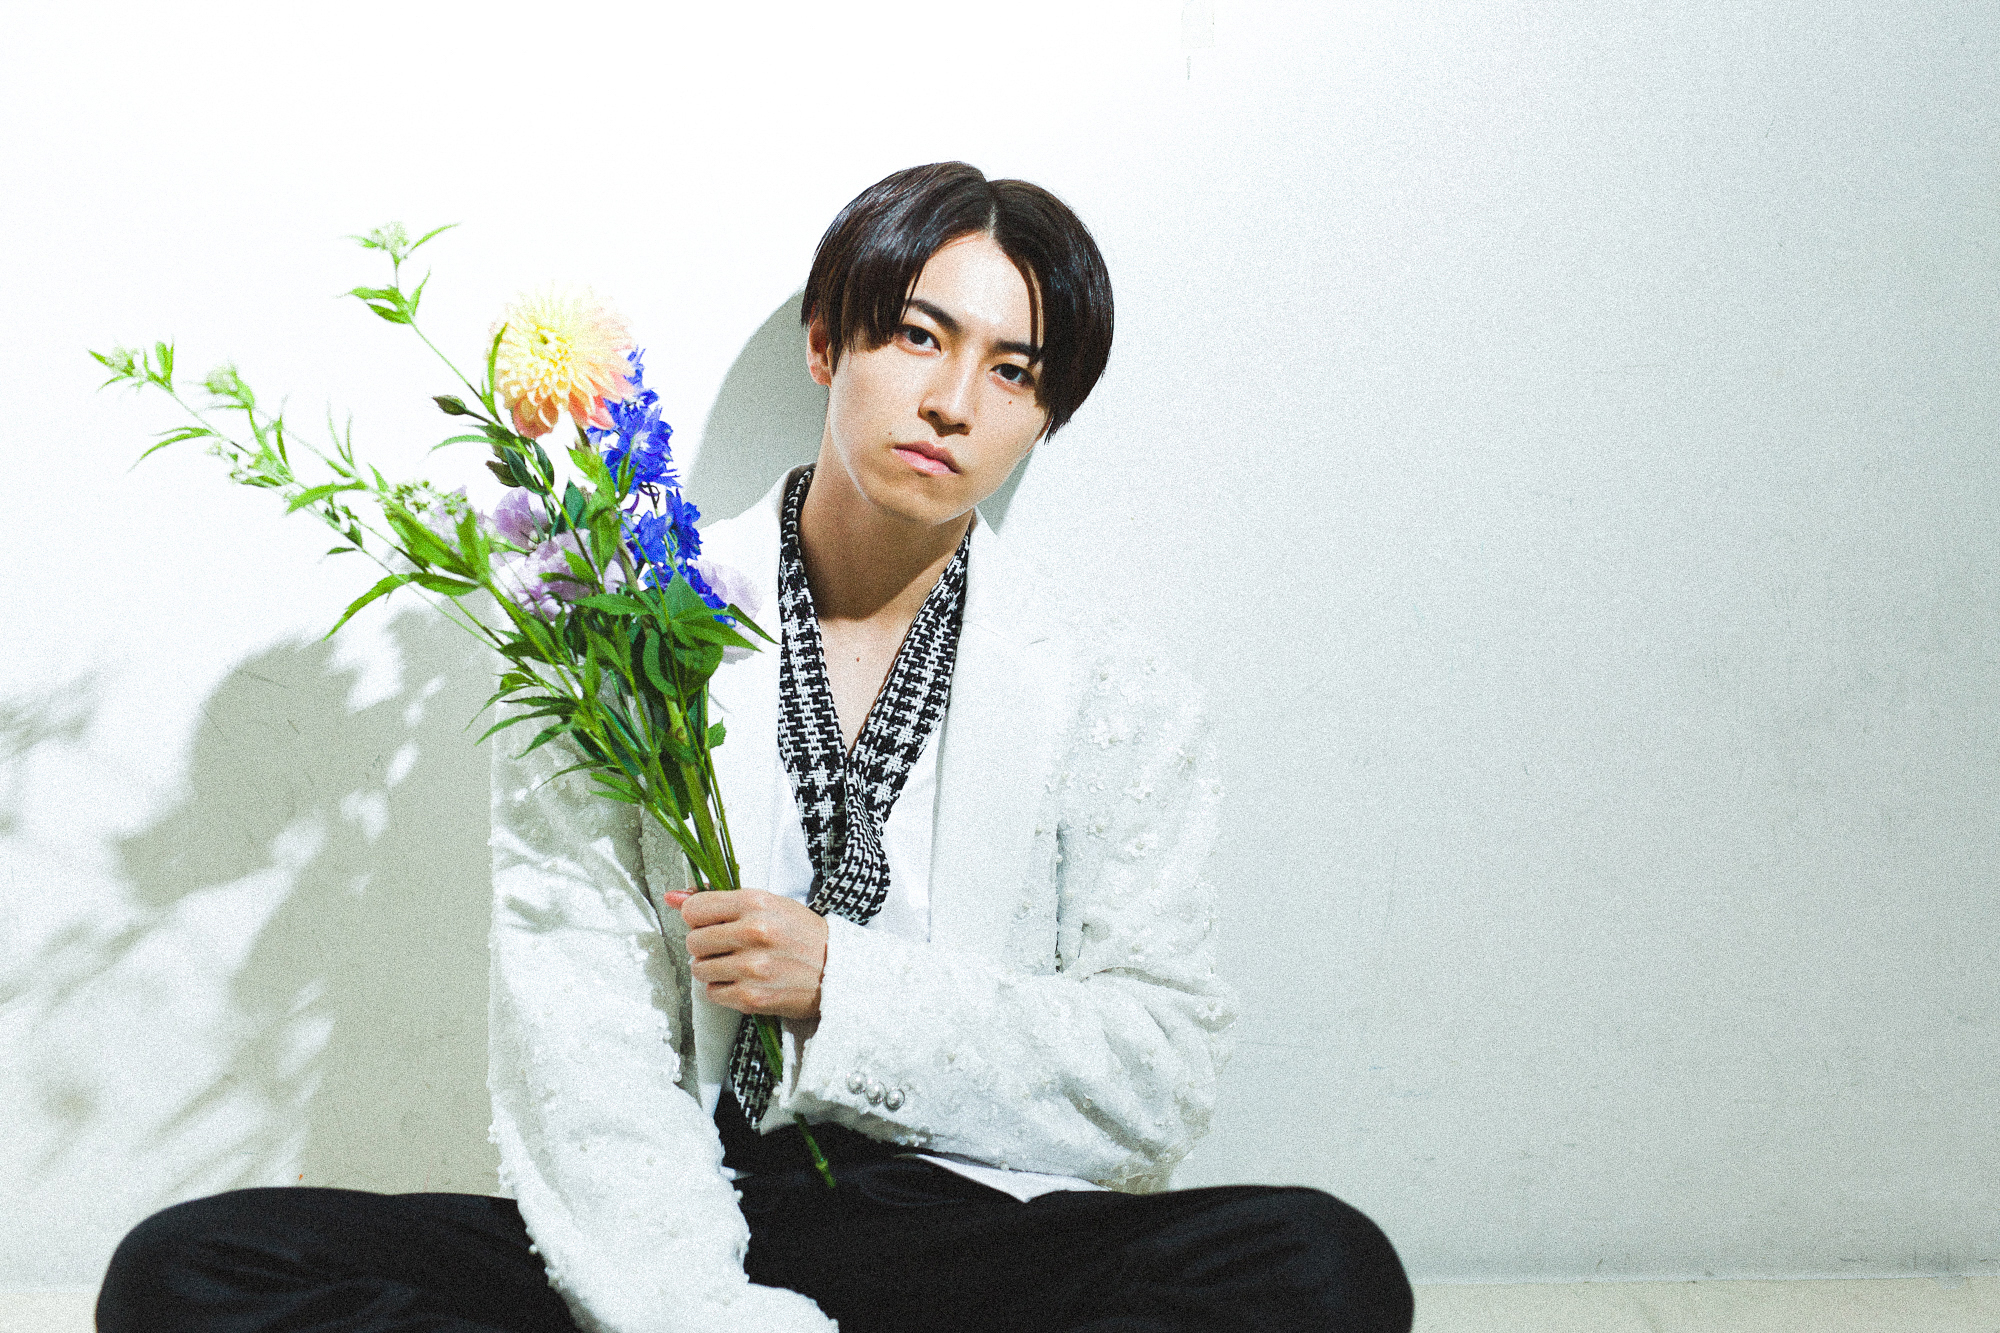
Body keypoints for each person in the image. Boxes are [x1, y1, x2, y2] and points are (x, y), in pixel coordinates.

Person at [96, 162, 1414, 1333]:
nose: (955, 401)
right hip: (676, 1211)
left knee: (1321, 1262)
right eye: (918, 335)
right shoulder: (613, 636)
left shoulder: (1111, 687)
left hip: (974, 1228)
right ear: (827, 343)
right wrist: (706, 1316)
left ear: (1043, 417)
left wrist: (845, 982)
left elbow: (1158, 1073)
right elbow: (581, 1049)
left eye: (1013, 371)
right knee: (190, 1269)